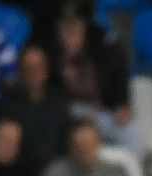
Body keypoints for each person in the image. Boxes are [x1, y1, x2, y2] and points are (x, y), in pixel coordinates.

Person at [33, 0, 137, 151]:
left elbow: (118, 70)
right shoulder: (42, 36)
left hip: (101, 110)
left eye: (77, 22)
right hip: (63, 109)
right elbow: (35, 73)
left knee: (131, 130)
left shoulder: (99, 36)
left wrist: (122, 102)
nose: (72, 25)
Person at [0, 44, 70, 170]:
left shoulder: (58, 98)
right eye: (28, 68)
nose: (34, 73)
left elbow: (64, 135)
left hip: (57, 167)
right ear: (20, 70)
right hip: (21, 169)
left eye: (38, 67)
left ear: (46, 69)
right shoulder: (7, 102)